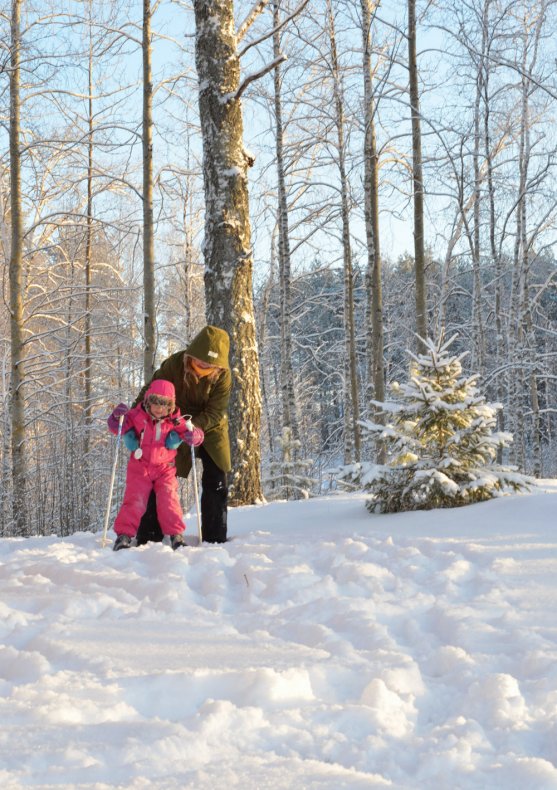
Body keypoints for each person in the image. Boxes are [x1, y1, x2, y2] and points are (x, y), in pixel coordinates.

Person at [134, 325, 232, 544]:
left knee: (217, 475)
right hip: (172, 422)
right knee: (158, 473)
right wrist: (134, 416)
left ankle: (215, 537)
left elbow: (216, 411)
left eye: (209, 365)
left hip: (210, 426)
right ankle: (150, 536)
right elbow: (150, 391)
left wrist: (193, 427)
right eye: (199, 362)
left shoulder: (224, 377)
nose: (203, 367)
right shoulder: (174, 364)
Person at [108, 379, 198, 551]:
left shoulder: (176, 420)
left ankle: (176, 535)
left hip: (165, 468)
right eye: (155, 402)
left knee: (169, 499)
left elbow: (191, 432)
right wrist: (116, 417)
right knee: (135, 499)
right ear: (148, 401)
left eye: (164, 404)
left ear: (171, 406)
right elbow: (116, 426)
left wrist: (195, 435)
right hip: (140, 466)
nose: (159, 408)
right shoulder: (136, 415)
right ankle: (124, 535)